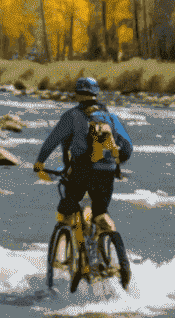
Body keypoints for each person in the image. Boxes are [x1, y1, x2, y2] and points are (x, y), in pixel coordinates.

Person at [32, 76, 133, 234]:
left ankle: (69, 245)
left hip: (82, 171)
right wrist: (115, 163)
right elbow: (127, 147)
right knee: (101, 214)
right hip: (107, 171)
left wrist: (39, 163)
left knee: (66, 211)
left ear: (77, 94)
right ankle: (114, 250)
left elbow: (52, 141)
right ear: (96, 94)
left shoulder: (72, 116)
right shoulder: (111, 117)